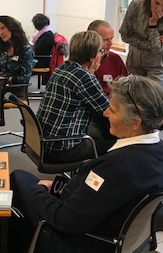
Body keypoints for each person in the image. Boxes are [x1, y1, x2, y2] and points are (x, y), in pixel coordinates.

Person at [0, 75, 163, 253]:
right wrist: (59, 189)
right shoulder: (162, 152)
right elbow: (102, 197)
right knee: (23, 190)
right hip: (122, 243)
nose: (105, 113)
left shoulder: (117, 167)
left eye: (113, 110)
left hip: (87, 248)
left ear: (135, 122)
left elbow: (65, 220)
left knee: (17, 194)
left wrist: (38, 192)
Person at [37, 31, 110, 161]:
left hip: (44, 143)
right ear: (92, 57)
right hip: (64, 149)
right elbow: (107, 111)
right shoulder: (84, 78)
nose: (103, 55)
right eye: (101, 51)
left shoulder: (61, 69)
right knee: (120, 145)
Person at [0, 15, 35, 95]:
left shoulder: (25, 50)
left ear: (11, 27)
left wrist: (6, 79)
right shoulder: (2, 49)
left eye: (3, 28)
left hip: (15, 89)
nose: (1, 33)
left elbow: (25, 78)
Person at [88, 20, 128, 95]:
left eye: (111, 39)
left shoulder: (115, 59)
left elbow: (125, 86)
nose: (110, 43)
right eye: (105, 40)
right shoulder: (83, 61)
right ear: (92, 39)